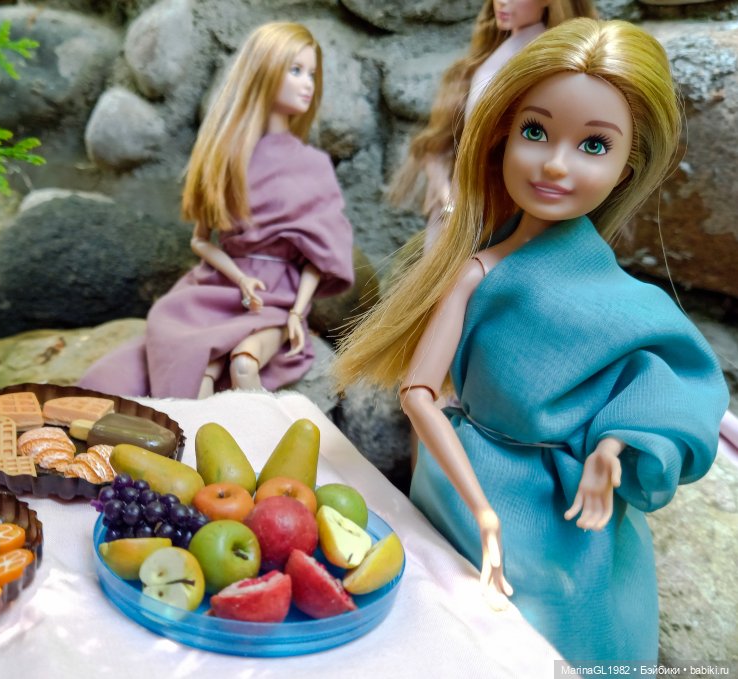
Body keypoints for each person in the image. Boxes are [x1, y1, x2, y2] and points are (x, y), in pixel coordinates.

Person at [332, 18, 729, 663]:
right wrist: (482, 510)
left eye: (594, 145)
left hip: (572, 503)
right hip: (477, 483)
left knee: (595, 619)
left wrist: (614, 443)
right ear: (501, 138)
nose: (555, 164)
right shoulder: (476, 273)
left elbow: (669, 383)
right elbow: (418, 394)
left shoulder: (624, 296)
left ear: (627, 165)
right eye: (535, 133)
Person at [80, 22, 354, 399]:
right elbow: (201, 240)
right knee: (189, 362)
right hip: (219, 287)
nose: (307, 83)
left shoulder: (314, 165)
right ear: (264, 72)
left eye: (311, 73)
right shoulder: (227, 158)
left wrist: (296, 312)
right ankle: (193, 428)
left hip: (277, 295)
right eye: (295, 71)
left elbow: (319, 257)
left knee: (242, 364)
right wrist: (239, 278)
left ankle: (253, 431)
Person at [389, 0, 597, 252]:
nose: (502, 2)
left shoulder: (541, 56)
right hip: (464, 193)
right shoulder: (500, 49)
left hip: (492, 197)